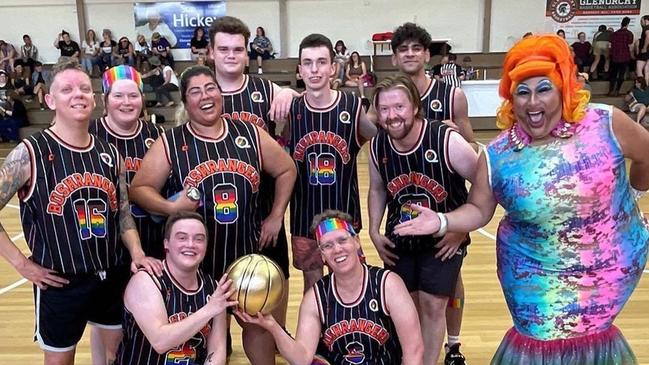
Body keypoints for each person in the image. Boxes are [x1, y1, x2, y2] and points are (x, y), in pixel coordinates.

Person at [393, 34, 649, 364]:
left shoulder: (606, 124)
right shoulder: (499, 154)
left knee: (590, 341)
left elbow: (646, 156)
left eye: (543, 89)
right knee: (542, 339)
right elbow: (478, 208)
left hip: (604, 273)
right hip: (532, 275)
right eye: (522, 92)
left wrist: (634, 196)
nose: (532, 102)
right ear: (511, 99)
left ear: (563, 89)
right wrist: (441, 221)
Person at [129, 65, 297, 365]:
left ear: (220, 93)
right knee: (205, 341)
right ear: (185, 101)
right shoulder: (172, 142)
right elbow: (139, 188)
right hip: (197, 265)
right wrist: (170, 208)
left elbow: (286, 169)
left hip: (245, 257)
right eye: (195, 92)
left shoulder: (250, 133)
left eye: (210, 88)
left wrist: (275, 216)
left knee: (257, 327)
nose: (205, 96)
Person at [0, 59, 162, 365]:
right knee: (61, 361)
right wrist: (22, 265)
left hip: (110, 275)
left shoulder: (110, 153)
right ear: (49, 100)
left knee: (118, 356)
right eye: (67, 89)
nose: (78, 95)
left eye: (84, 88)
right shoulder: (30, 152)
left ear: (95, 98)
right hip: (60, 281)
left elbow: (123, 212)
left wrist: (137, 252)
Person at [368, 74, 477, 365]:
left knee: (432, 305)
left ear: (415, 107)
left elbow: (484, 185)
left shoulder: (446, 140)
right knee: (407, 307)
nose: (392, 116)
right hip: (402, 236)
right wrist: (373, 230)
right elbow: (377, 188)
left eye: (399, 107)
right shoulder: (378, 147)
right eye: (385, 109)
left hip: (443, 239)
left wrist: (458, 227)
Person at [207, 15, 302, 344]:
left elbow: (292, 117)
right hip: (215, 206)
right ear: (211, 52)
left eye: (237, 49)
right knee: (214, 275)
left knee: (275, 271)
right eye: (223, 49)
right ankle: (219, 336)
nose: (231, 55)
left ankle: (276, 334)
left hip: (262, 205)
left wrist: (288, 92)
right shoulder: (202, 90)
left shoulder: (265, 90)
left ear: (248, 53)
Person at [388, 22, 475, 363]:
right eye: (403, 49)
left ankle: (452, 345)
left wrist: (461, 225)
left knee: (450, 284)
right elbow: (367, 132)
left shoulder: (451, 95)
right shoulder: (388, 99)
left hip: (447, 214)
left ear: (426, 54)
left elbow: (475, 152)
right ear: (395, 57)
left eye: (416, 48)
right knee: (412, 295)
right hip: (407, 215)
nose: (409, 54)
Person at [237, 210, 424, 365]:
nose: (337, 249)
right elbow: (302, 358)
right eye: (327, 245)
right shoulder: (315, 297)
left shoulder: (388, 285)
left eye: (342, 240)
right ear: (322, 256)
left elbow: (414, 351)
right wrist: (272, 325)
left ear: (356, 242)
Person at [286, 33, 377, 293]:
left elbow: (384, 144)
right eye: (308, 63)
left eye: (321, 62)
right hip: (305, 217)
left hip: (345, 215)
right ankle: (315, 336)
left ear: (333, 67)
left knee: (351, 284)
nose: (315, 69)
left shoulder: (352, 105)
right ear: (300, 70)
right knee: (312, 288)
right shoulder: (292, 110)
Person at [116, 211, 237, 365]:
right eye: (182, 237)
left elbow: (217, 349)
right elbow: (160, 341)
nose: (191, 244)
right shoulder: (146, 281)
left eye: (199, 239)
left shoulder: (212, 287)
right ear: (166, 244)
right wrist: (209, 310)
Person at [609, 17, 635, 97]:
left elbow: (610, 46)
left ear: (621, 23)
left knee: (613, 74)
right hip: (625, 57)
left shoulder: (614, 33)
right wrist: (632, 56)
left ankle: (611, 90)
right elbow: (630, 47)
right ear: (627, 24)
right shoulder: (629, 34)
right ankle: (617, 90)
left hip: (615, 57)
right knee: (621, 74)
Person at [637, 15, 649, 85]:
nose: (641, 23)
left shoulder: (646, 27)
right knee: (647, 70)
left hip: (645, 51)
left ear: (645, 20)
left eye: (641, 21)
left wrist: (644, 48)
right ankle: (647, 88)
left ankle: (641, 88)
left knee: (639, 69)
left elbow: (648, 36)